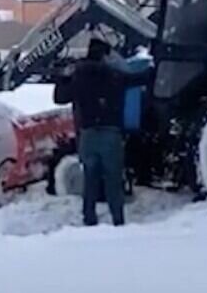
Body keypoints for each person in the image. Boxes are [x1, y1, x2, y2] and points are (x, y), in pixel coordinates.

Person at [53, 38, 149, 227]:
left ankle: (89, 220)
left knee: (90, 181)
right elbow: (142, 78)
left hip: (87, 135)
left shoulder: (79, 76)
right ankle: (118, 221)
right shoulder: (115, 75)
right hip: (111, 136)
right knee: (113, 181)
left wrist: (62, 77)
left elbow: (60, 97)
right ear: (105, 55)